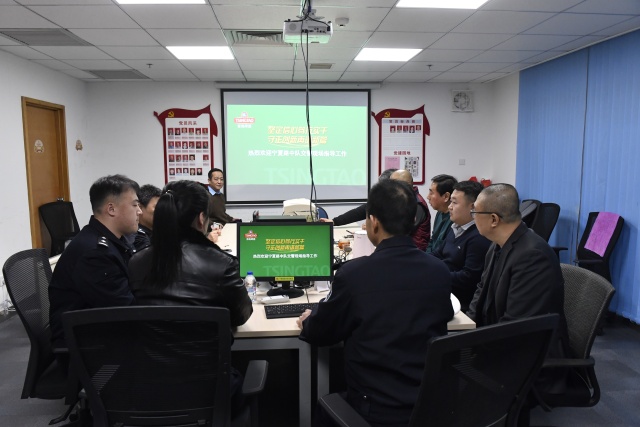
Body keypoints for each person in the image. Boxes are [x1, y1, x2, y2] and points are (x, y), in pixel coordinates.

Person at [298, 179, 452, 427]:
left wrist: (308, 321)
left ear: (374, 222)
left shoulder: (354, 275)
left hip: (373, 409)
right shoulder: (439, 271)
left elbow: (322, 333)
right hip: (426, 405)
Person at [128, 180, 252, 415]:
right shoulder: (221, 264)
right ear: (201, 218)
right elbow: (241, 316)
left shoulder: (136, 262)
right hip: (211, 390)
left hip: (150, 390)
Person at [467, 184, 569, 392]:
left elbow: (517, 327)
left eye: (475, 212)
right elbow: (481, 290)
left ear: (493, 219)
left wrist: (471, 345)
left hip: (526, 361)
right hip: (500, 342)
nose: (472, 217)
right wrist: (465, 328)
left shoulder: (532, 256)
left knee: (447, 382)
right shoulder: (497, 244)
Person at [49, 174, 141, 369]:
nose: (139, 211)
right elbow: (125, 311)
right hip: (87, 350)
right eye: (134, 205)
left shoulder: (109, 241)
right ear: (111, 209)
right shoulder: (95, 253)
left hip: (98, 334)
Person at [431, 180, 490, 311]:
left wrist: (435, 274)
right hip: (443, 289)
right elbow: (438, 253)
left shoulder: (479, 237)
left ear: (473, 207)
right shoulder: (455, 228)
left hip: (459, 301)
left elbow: (468, 277)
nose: (450, 207)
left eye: (454, 202)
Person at [321, 169, 397, 226]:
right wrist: (334, 221)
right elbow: (358, 213)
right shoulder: (381, 202)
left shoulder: (400, 207)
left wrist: (373, 228)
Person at [390, 169, 431, 251]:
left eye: (393, 184)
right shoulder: (404, 199)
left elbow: (401, 231)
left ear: (406, 185)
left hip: (414, 252)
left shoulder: (417, 204)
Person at [425, 174, 457, 254]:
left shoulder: (455, 220)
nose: (428, 197)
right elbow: (433, 240)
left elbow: (445, 251)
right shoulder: (439, 212)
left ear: (446, 196)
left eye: (431, 193)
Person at [132, 184, 161, 252]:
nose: (161, 211)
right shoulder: (138, 237)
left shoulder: (155, 233)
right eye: (157, 207)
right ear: (140, 208)